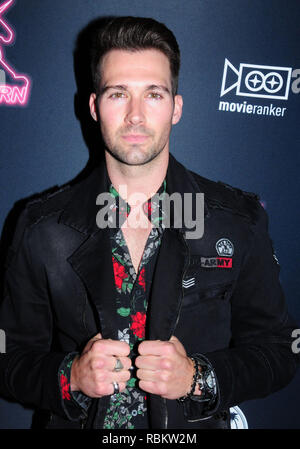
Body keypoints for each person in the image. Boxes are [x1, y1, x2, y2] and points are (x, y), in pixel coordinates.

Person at [0, 16, 299, 430]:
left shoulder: (235, 222)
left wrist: (199, 378)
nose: (136, 116)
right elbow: (9, 356)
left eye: (153, 94)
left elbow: (281, 352)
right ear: (93, 107)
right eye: (118, 94)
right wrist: (70, 378)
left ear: (176, 107)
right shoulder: (42, 228)